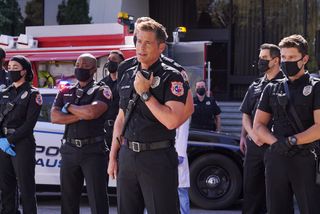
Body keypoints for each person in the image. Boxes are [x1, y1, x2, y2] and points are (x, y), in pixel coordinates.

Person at [108, 19, 191, 214]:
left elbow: (172, 121)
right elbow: (121, 117)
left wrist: (146, 94)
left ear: (161, 47)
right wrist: (113, 155)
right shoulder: (127, 72)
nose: (141, 47)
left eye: (148, 43)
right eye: (138, 41)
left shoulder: (172, 76)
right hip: (127, 156)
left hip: (157, 158)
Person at [253, 34, 320, 214]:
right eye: (283, 57)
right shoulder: (272, 88)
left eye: (291, 57)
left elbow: (319, 127)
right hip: (277, 156)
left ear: (304, 59)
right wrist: (276, 143)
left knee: (310, 208)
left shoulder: (316, 87)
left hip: (306, 157)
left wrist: (291, 141)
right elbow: (258, 125)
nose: (286, 62)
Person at [51, 53, 112, 214]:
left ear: (94, 69)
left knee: (97, 199)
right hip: (69, 150)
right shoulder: (66, 90)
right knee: (68, 201)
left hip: (93, 151)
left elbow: (92, 112)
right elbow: (55, 117)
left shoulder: (102, 90)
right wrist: (81, 114)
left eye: (85, 66)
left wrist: (69, 107)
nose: (80, 68)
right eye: (78, 64)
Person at [239, 43, 283, 214]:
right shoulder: (255, 85)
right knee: (250, 191)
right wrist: (248, 135)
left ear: (276, 60)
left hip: (274, 145)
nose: (260, 62)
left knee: (275, 192)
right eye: (260, 58)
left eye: (265, 58)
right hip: (254, 146)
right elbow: (245, 114)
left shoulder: (285, 84)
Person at [0, 55, 41, 214]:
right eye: (9, 68)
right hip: (3, 143)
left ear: (24, 71)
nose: (11, 71)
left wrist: (9, 140)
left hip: (22, 143)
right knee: (6, 187)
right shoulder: (4, 92)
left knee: (26, 187)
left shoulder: (33, 93)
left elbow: (29, 124)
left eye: (15, 68)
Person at [100, 50, 125, 147]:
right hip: (105, 129)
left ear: (121, 63)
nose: (110, 62)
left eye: (114, 59)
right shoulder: (102, 83)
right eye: (109, 59)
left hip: (121, 129)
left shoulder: (126, 81)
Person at [175, 119, 191, 214]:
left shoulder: (183, 111)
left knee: (181, 191)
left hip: (177, 154)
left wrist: (180, 155)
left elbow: (183, 134)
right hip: (161, 155)